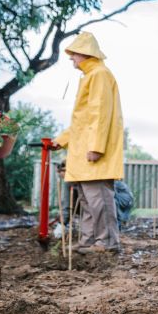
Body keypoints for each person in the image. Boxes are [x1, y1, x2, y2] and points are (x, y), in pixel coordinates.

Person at [52, 32, 124, 255]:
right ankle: (89, 241)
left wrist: (96, 146)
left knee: (99, 199)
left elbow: (99, 113)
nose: (71, 58)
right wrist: (61, 141)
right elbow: (82, 119)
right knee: (86, 200)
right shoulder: (90, 76)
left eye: (73, 53)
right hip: (83, 150)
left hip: (92, 151)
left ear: (84, 53)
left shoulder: (99, 75)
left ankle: (106, 242)